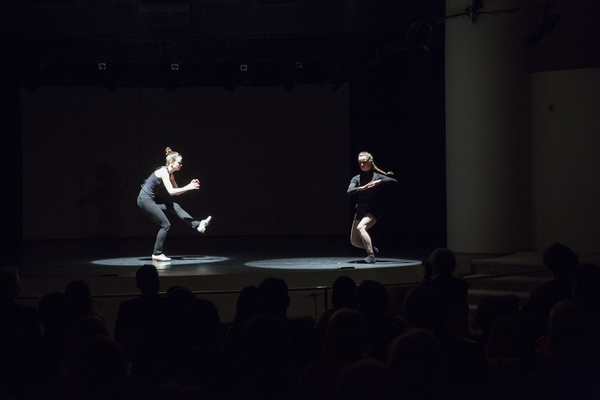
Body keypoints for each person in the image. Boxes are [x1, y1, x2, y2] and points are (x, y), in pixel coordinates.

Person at [137, 147, 212, 261]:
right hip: (144, 200)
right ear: (171, 163)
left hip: (151, 199)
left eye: (181, 163)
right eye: (179, 163)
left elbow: (177, 191)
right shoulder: (163, 172)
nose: (181, 165)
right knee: (165, 224)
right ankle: (157, 253)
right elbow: (171, 192)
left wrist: (189, 186)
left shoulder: (171, 175)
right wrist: (189, 187)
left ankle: (198, 225)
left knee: (175, 206)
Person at [347, 151, 397, 263]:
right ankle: (372, 249)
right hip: (360, 210)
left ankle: (371, 256)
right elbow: (349, 190)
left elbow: (394, 181)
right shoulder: (357, 178)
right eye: (360, 163)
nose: (362, 165)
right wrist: (362, 188)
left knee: (361, 228)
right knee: (354, 241)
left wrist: (380, 181)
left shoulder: (377, 176)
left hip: (373, 210)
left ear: (370, 162)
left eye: (364, 162)